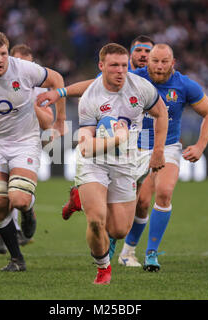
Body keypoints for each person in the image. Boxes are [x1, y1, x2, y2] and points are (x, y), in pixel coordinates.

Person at [37, 44, 208, 271]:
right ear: (146, 62)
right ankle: (96, 215)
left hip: (165, 146)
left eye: (164, 61)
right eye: (154, 60)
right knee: (136, 206)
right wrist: (61, 92)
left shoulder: (184, 85)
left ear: (173, 63)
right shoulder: (131, 76)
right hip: (132, 146)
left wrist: (199, 146)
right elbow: (92, 85)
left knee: (162, 193)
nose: (159, 66)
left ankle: (148, 252)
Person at [0, 31, 66, 272]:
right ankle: (17, 259)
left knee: (18, 200)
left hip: (25, 141)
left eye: (3, 54)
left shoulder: (25, 69)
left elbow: (57, 79)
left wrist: (60, 120)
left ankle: (28, 211)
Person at [71, 43, 168, 284]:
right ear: (101, 66)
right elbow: (85, 146)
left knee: (118, 230)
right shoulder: (90, 98)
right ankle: (103, 268)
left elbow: (161, 113)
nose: (120, 71)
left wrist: (158, 151)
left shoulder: (141, 87)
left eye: (124, 65)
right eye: (114, 65)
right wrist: (117, 139)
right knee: (96, 221)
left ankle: (78, 198)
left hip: (125, 163)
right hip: (95, 163)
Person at [62, 35, 154, 219]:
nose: (143, 55)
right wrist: (61, 92)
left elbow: (164, 112)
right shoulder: (116, 74)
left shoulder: (161, 79)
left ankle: (121, 241)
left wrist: (162, 146)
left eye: (148, 51)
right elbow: (89, 86)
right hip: (116, 143)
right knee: (115, 207)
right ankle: (114, 245)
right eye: (139, 50)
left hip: (146, 146)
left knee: (141, 204)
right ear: (131, 55)